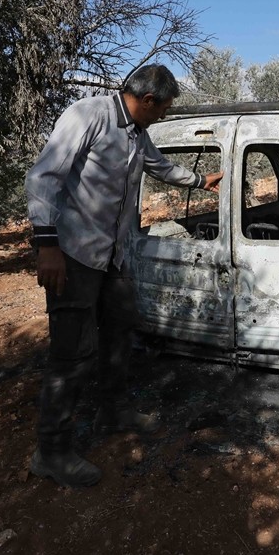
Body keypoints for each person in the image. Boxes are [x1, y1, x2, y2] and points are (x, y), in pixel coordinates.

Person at [24, 64, 223, 487]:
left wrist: (202, 180)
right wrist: (46, 245)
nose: (164, 116)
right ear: (147, 100)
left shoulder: (137, 132)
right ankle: (52, 451)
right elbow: (43, 177)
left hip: (113, 257)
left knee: (119, 333)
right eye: (164, 109)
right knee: (72, 353)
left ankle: (112, 411)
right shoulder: (87, 116)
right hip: (73, 255)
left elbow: (160, 167)